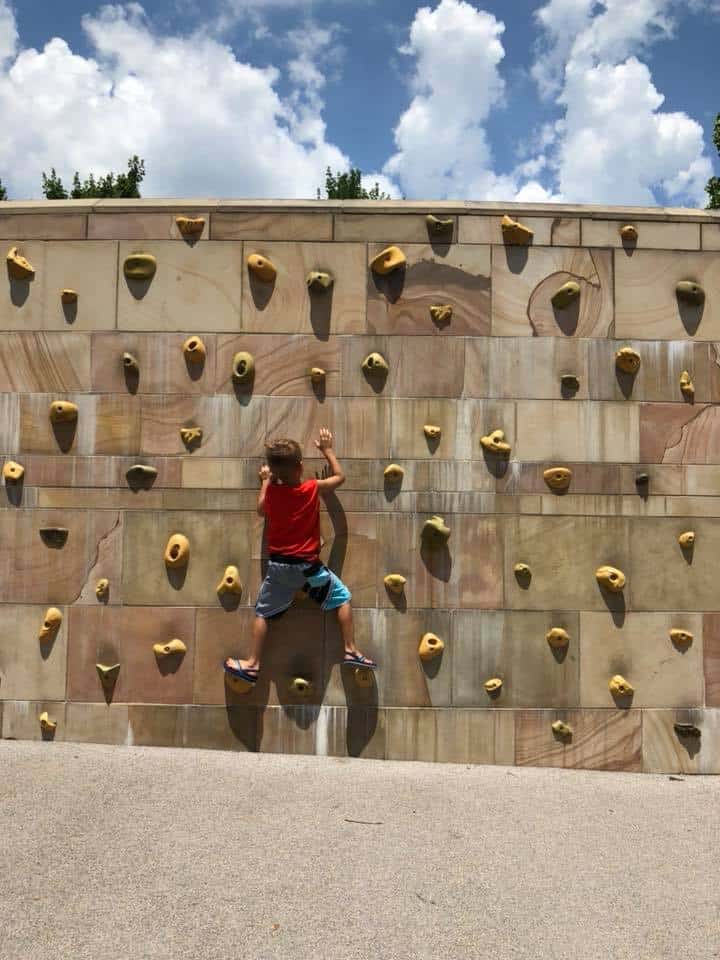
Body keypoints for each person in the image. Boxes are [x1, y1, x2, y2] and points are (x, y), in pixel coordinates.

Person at [223, 428, 377, 685]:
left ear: (274, 472)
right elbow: (340, 477)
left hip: (280, 568)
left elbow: (260, 510)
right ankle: (350, 649)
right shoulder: (311, 488)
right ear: (300, 467)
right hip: (309, 568)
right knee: (342, 599)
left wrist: (265, 482)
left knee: (263, 613)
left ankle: (252, 664)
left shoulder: (273, 493)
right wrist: (327, 450)